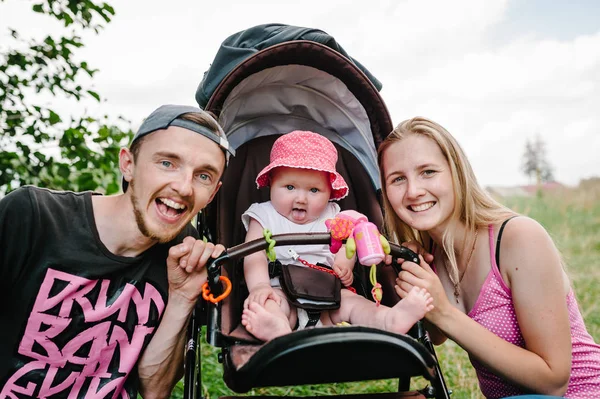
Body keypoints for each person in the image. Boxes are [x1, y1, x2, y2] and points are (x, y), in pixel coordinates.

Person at [0, 104, 236, 399]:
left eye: (203, 176)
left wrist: (182, 298)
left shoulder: (182, 251)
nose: (184, 187)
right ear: (128, 164)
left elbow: (156, 391)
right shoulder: (34, 217)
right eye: (167, 163)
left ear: (213, 193)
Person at [378, 116, 600, 399]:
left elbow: (552, 383)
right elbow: (435, 335)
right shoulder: (435, 255)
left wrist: (444, 312)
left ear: (456, 172)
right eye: (398, 179)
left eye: (428, 172)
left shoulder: (518, 238)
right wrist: (416, 280)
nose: (413, 191)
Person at [240, 130, 433, 342]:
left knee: (355, 304)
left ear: (330, 193)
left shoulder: (334, 215)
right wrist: (260, 286)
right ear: (271, 184)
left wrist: (344, 264)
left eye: (314, 190)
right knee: (268, 304)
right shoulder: (263, 214)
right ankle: (278, 330)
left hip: (330, 294)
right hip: (281, 289)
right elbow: (254, 255)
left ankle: (389, 319)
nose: (301, 198)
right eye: (290, 187)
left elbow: (348, 243)